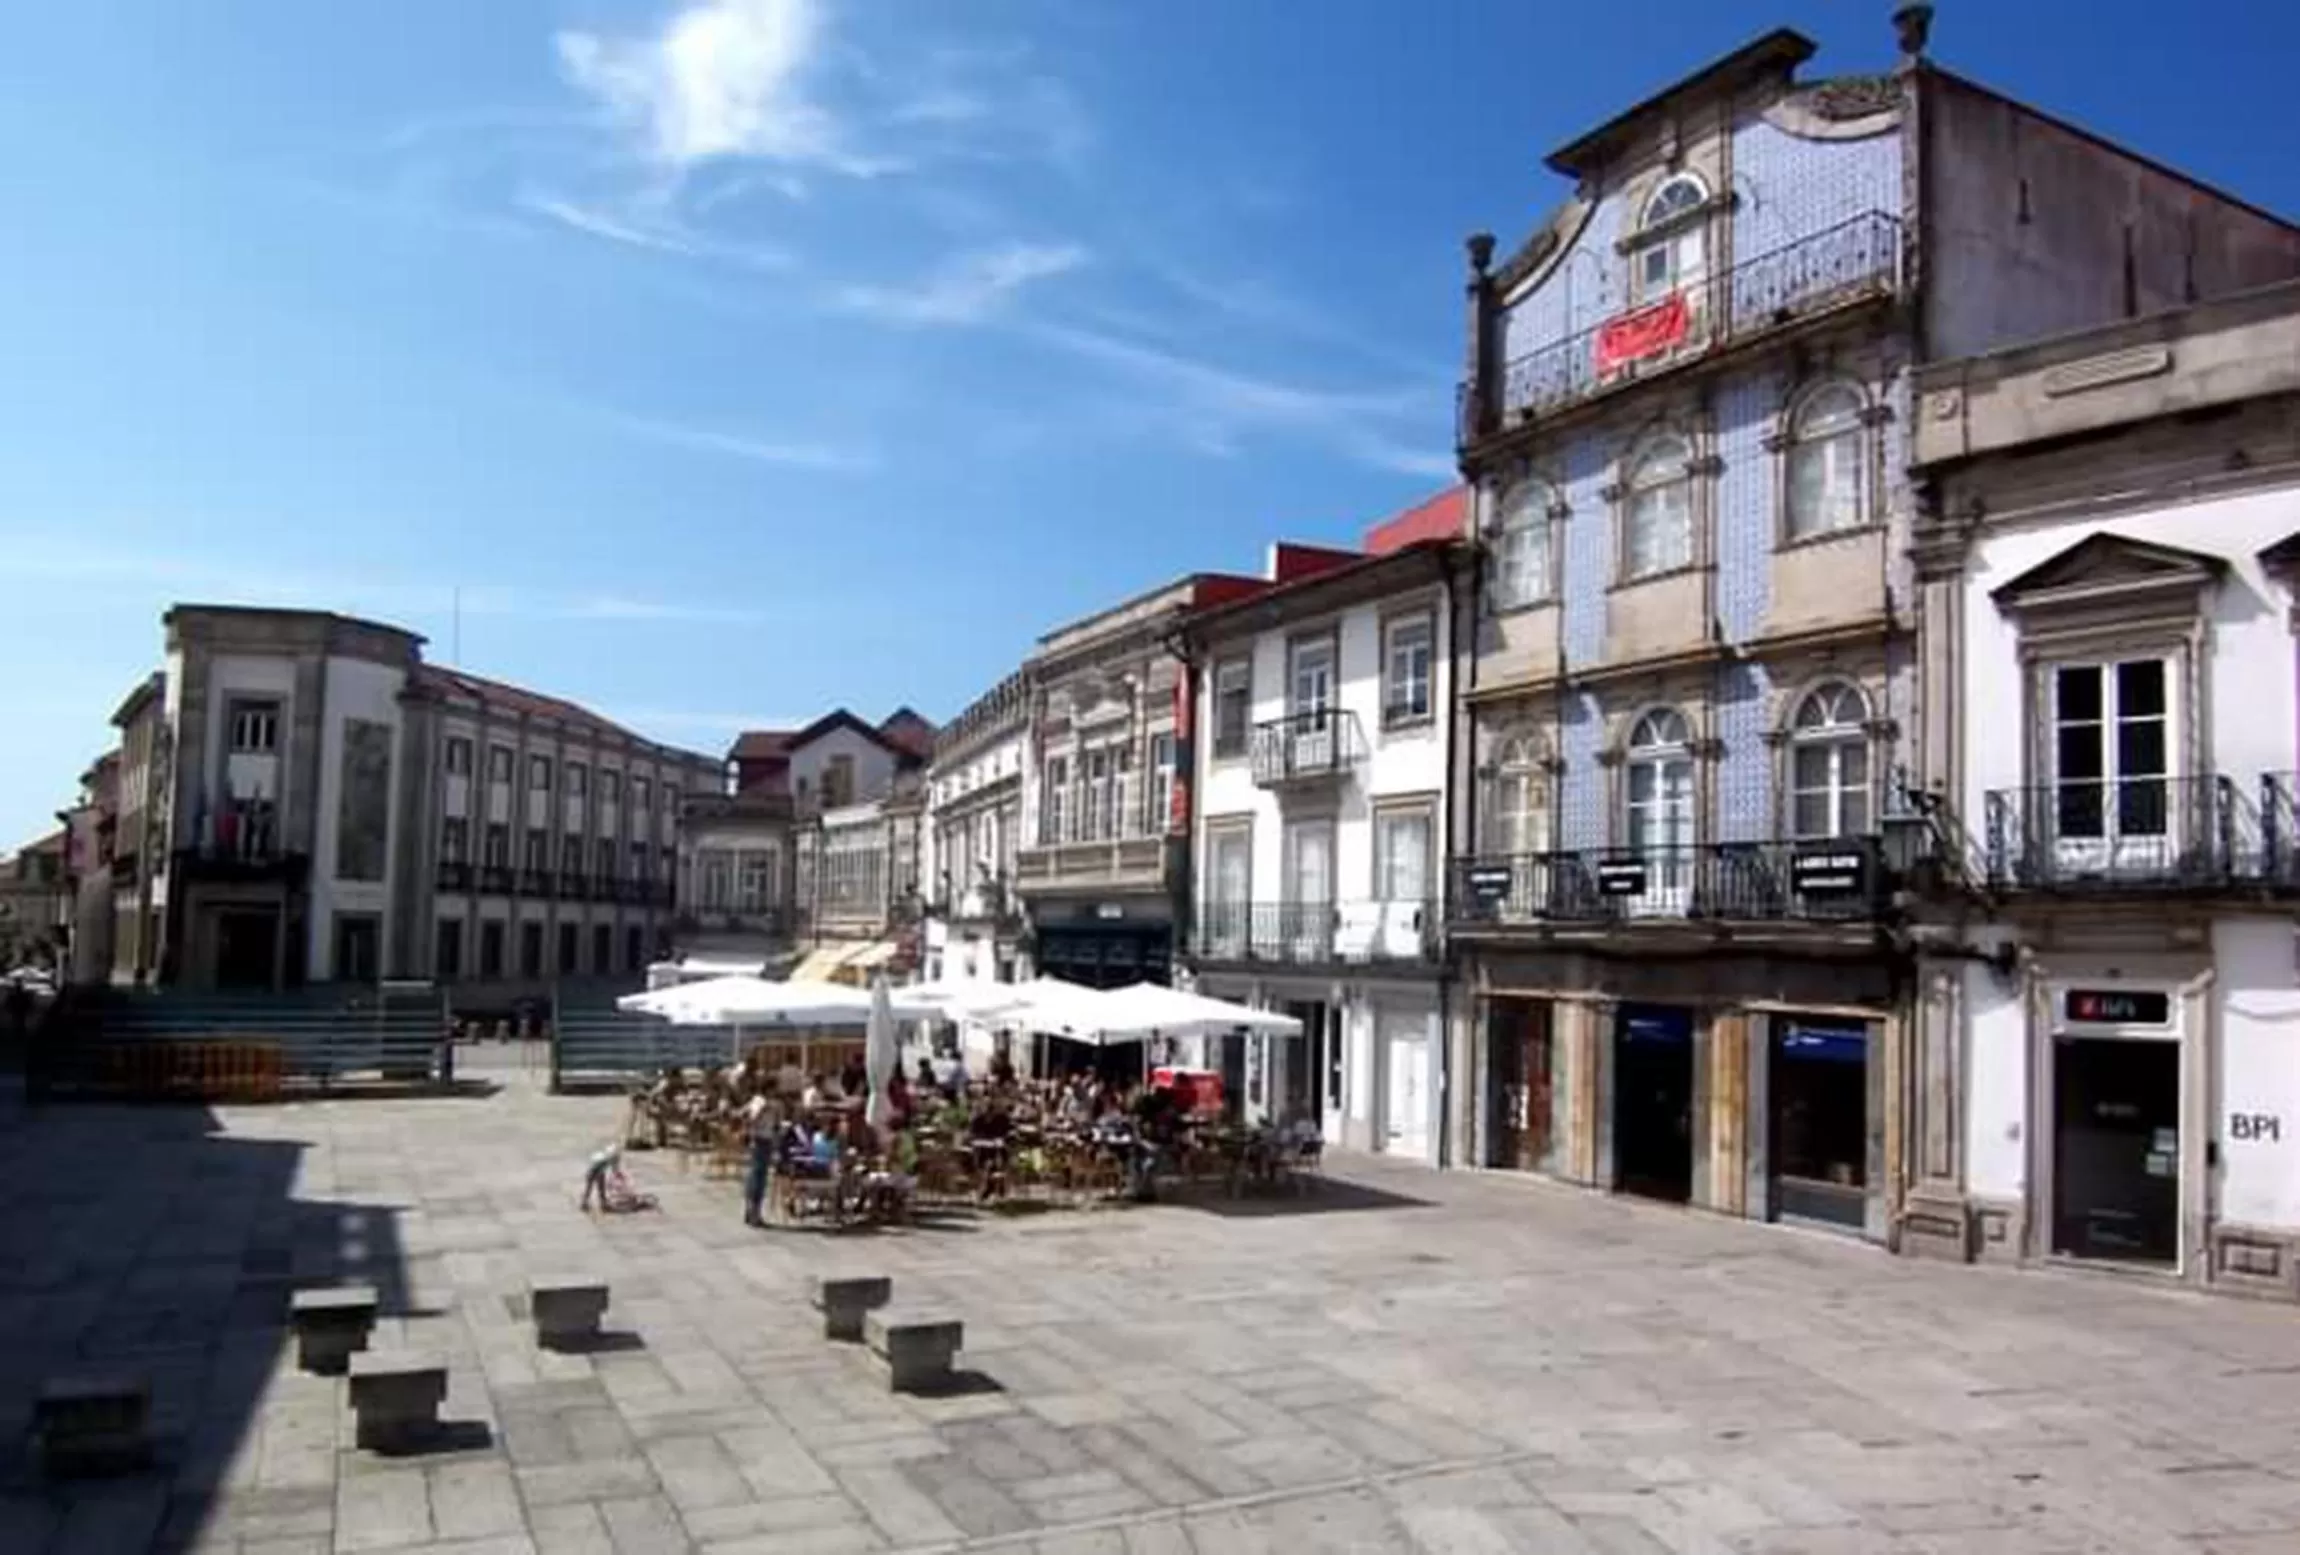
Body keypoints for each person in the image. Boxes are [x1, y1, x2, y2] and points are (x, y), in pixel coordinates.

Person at [741, 1091, 776, 1228]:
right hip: (761, 1140)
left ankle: (752, 1211)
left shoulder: (756, 1100)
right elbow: (752, 1116)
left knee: (757, 1176)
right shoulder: (761, 1102)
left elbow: (745, 1113)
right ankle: (753, 1212)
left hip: (763, 1140)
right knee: (758, 1177)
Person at [581, 1143, 622, 1212]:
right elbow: (614, 1168)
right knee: (595, 1189)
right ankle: (599, 1204)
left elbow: (613, 1168)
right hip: (594, 1173)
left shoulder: (602, 1155)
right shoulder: (607, 1158)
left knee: (593, 1189)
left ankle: (588, 1203)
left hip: (596, 1172)